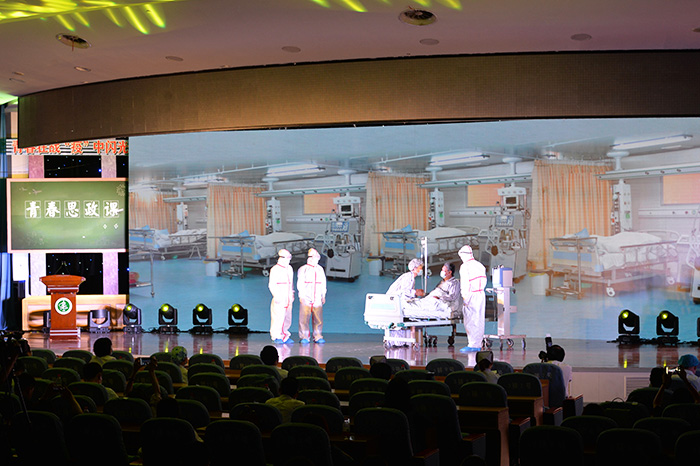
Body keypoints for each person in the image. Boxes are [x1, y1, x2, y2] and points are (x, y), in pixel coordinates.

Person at [458, 245, 487, 352]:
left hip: (471, 295)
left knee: (470, 320)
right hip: (481, 294)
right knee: (479, 319)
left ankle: (473, 344)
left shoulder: (465, 266)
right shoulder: (479, 265)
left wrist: (464, 296)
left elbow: (465, 283)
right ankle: (478, 343)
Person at [297, 248, 327, 344]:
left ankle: (318, 336)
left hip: (317, 297)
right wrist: (301, 296)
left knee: (318, 318)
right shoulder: (303, 269)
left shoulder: (320, 269)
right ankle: (304, 336)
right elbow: (300, 283)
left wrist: (323, 295)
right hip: (306, 297)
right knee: (304, 318)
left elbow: (323, 283)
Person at [268, 249, 295, 344]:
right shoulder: (275, 269)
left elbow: (290, 283)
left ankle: (285, 335)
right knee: (278, 317)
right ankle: (276, 336)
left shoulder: (289, 268)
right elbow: (272, 284)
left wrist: (291, 294)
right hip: (279, 297)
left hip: (288, 297)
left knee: (287, 317)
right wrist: (276, 296)